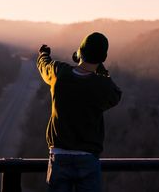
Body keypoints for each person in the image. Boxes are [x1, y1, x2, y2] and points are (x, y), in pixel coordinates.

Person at [37, 32, 122, 192]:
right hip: (88, 158)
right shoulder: (102, 85)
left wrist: (43, 55)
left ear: (80, 52)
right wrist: (101, 71)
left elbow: (44, 66)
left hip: (59, 156)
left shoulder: (59, 72)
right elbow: (115, 95)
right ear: (102, 58)